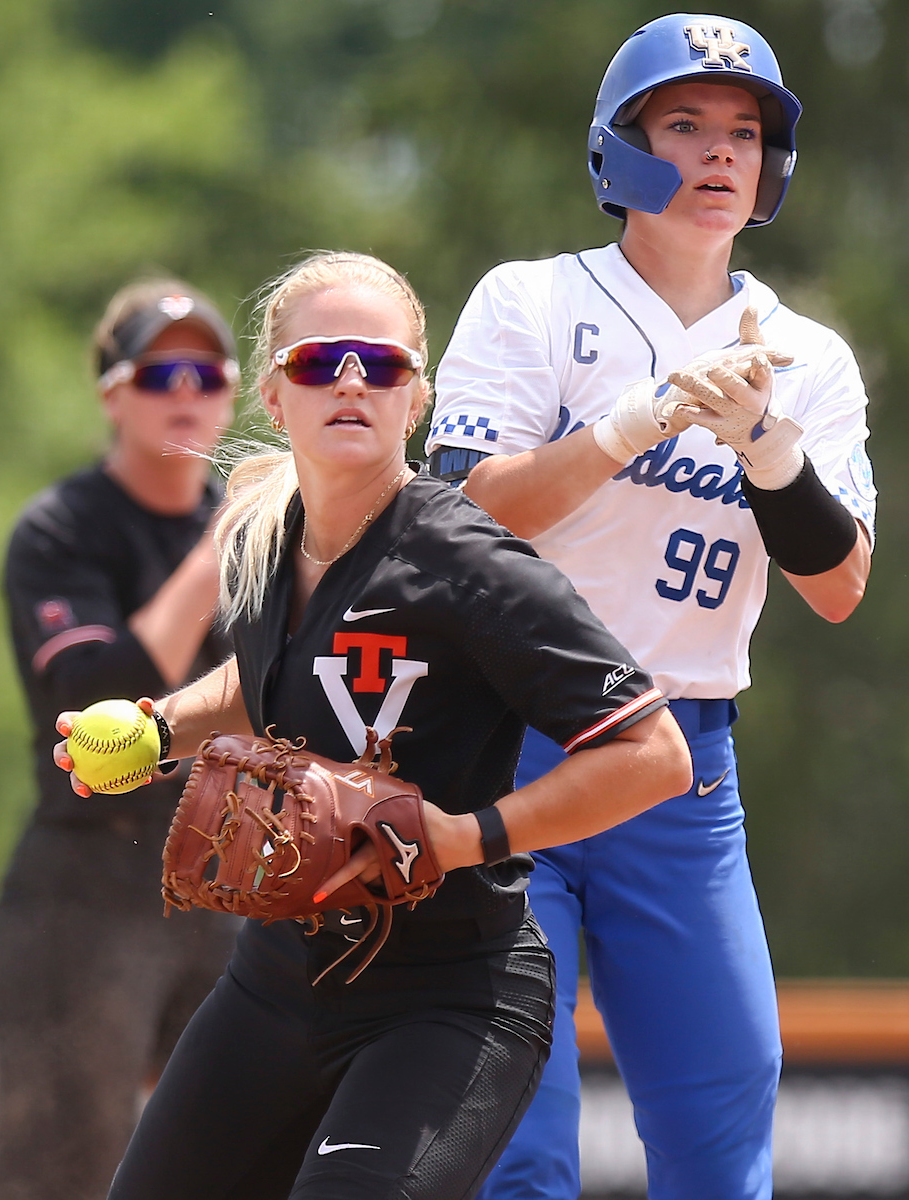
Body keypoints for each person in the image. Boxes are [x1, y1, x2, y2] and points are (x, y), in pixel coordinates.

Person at [54, 250, 692, 1200]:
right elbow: (269, 672)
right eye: (319, 361)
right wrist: (157, 728)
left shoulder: (469, 563)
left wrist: (466, 836)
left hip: (449, 997)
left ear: (416, 395)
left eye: (381, 364)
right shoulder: (267, 538)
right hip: (276, 984)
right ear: (275, 394)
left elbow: (656, 756)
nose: (351, 381)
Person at [426, 15, 874, 1200]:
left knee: (724, 1127)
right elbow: (456, 524)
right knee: (517, 1135)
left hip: (685, 762)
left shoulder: (807, 357)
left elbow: (839, 589)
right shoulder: (532, 302)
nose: (720, 151)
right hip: (510, 744)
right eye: (684, 124)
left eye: (744, 131)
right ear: (620, 148)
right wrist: (639, 419)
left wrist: (769, 453)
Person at [0, 279, 242, 1200]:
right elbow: (99, 707)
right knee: (59, 1174)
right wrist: (218, 550)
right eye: (161, 371)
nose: (188, 391)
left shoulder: (274, 534)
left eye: (209, 373)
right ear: (112, 394)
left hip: (228, 883)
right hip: (87, 891)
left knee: (239, 1164)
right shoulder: (63, 529)